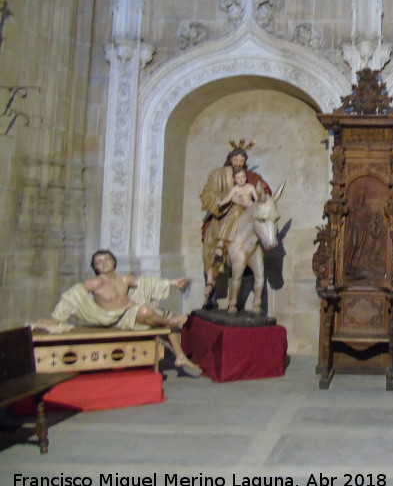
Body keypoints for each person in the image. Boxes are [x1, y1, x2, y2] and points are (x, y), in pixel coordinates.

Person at [50, 250, 199, 371]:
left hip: (131, 312)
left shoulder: (124, 279)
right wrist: (57, 318)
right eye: (99, 262)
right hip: (116, 319)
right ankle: (172, 322)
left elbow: (147, 283)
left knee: (161, 315)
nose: (103, 263)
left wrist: (172, 283)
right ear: (95, 267)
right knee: (149, 312)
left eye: (106, 259)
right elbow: (72, 296)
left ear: (114, 261)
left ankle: (180, 356)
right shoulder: (96, 282)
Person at [200, 141, 271, 306]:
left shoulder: (250, 178)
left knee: (247, 220)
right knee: (209, 234)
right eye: (236, 160)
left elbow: (263, 192)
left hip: (244, 217)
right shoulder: (219, 175)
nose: (238, 163)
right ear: (230, 159)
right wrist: (224, 201)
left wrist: (259, 198)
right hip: (221, 214)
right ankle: (210, 292)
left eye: (241, 160)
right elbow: (208, 194)